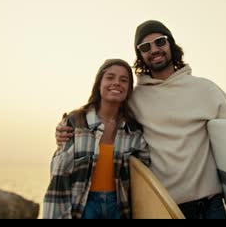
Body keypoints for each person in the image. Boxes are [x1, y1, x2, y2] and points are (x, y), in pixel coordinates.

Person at [55, 20, 226, 219]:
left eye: (160, 42)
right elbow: (101, 116)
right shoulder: (135, 98)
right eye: (145, 47)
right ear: (140, 55)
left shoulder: (206, 90)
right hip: (160, 208)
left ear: (171, 45)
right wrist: (65, 129)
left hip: (210, 206)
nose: (154, 50)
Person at [43, 58, 150, 219]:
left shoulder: (134, 131)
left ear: (128, 89)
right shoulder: (76, 122)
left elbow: (143, 179)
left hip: (119, 207)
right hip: (83, 206)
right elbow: (60, 175)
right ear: (99, 84)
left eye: (123, 80)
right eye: (110, 77)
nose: (116, 83)